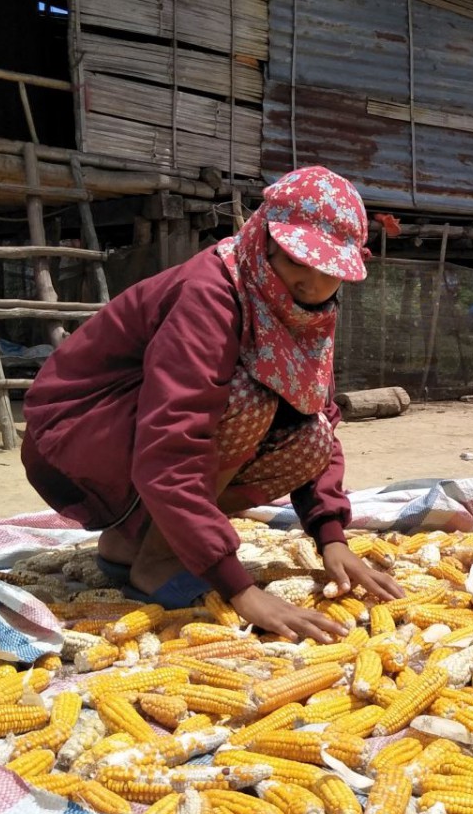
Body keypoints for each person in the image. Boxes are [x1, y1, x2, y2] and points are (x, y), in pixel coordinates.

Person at [21, 165, 401, 642]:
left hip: (134, 441)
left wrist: (331, 535)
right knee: (251, 398)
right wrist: (237, 587)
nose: (310, 281)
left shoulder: (305, 312)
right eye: (296, 260)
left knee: (312, 437)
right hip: (76, 433)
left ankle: (128, 543)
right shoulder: (212, 293)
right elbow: (171, 440)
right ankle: (160, 561)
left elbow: (316, 413)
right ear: (263, 238)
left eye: (327, 270)